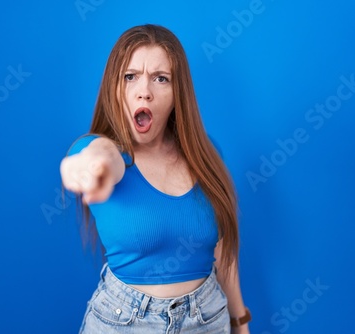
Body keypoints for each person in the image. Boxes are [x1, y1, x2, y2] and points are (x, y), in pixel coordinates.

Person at [61, 24, 250, 334]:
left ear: (178, 94)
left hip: (209, 320)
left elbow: (222, 250)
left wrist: (239, 321)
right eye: (130, 76)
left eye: (160, 78)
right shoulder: (100, 149)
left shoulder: (206, 153)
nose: (144, 90)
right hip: (125, 323)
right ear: (115, 87)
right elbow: (101, 156)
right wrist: (90, 166)